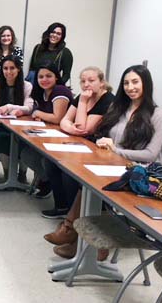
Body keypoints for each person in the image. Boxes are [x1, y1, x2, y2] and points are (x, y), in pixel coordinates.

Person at [46, 65, 162, 260]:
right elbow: (100, 133)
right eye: (126, 83)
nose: (130, 87)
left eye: (135, 82)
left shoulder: (158, 114)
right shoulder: (118, 108)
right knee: (81, 178)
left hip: (138, 172)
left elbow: (151, 154)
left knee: (89, 185)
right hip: (112, 164)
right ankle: (77, 237)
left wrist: (116, 150)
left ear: (146, 84)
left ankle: (77, 236)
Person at [41, 67, 114, 219]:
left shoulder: (107, 100)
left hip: (99, 148)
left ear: (102, 83)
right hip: (80, 142)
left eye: (91, 80)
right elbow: (64, 121)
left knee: (70, 172)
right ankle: (62, 207)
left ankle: (75, 215)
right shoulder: (83, 96)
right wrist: (70, 128)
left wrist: (82, 102)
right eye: (83, 81)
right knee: (50, 161)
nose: (86, 84)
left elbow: (84, 128)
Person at [20, 62, 73, 198]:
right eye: (40, 77)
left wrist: (38, 114)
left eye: (48, 76)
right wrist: (41, 116)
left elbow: (57, 118)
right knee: (27, 154)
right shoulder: (42, 93)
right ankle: (47, 180)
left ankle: (56, 188)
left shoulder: (60, 90)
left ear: (56, 77)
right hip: (51, 135)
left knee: (46, 161)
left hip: (67, 139)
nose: (44, 79)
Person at [0, 55, 34, 178]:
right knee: (1, 138)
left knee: (26, 141)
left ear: (18, 69)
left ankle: (22, 173)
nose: (8, 72)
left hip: (22, 125)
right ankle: (7, 173)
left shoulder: (27, 86)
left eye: (12, 68)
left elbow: (29, 107)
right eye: (5, 68)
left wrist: (9, 106)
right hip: (2, 124)